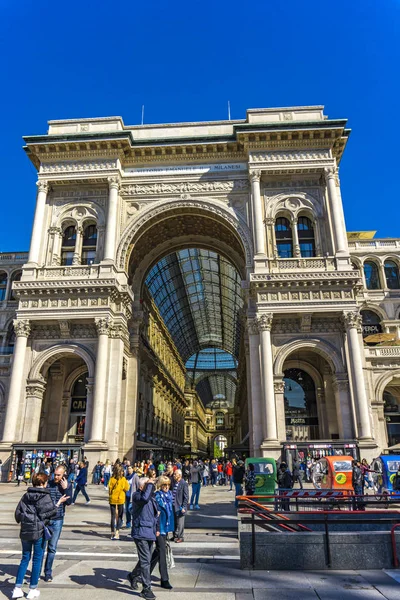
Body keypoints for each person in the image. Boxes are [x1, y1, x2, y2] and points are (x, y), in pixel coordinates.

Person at [12, 472, 67, 599]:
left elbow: (17, 514)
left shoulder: (25, 496)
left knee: (25, 558)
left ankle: (17, 588)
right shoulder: (45, 496)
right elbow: (51, 513)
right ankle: (32, 589)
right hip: (39, 532)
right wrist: (58, 503)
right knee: (37, 559)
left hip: (25, 531)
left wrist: (27, 519)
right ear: (43, 483)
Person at [127, 477, 158, 600]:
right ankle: (146, 589)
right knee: (146, 561)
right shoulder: (137, 496)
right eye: (147, 484)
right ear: (141, 487)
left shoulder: (151, 497)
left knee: (146, 559)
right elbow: (144, 499)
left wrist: (157, 529)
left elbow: (156, 513)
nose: (150, 486)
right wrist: (149, 483)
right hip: (140, 533)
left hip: (149, 531)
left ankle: (133, 575)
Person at [43, 465, 73, 582]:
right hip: (46, 519)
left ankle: (48, 572)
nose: (56, 477)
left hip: (58, 519)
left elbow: (69, 502)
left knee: (52, 548)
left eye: (58, 475)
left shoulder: (68, 485)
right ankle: (36, 572)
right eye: (55, 474)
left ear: (63, 475)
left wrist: (66, 489)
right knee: (41, 547)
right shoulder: (48, 483)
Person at [108, 464, 130, 540]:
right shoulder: (123, 479)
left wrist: (110, 495)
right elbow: (127, 488)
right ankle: (117, 532)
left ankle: (112, 533)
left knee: (113, 516)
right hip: (120, 498)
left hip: (113, 498)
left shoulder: (111, 479)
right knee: (120, 516)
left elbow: (109, 489)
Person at [171, 469, 189, 543]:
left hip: (180, 506)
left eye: (175, 474)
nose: (174, 475)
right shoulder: (173, 483)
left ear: (179, 475)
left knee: (180, 523)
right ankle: (175, 535)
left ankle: (180, 537)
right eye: (174, 474)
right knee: (174, 522)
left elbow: (186, 496)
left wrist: (184, 506)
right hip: (173, 505)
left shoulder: (184, 483)